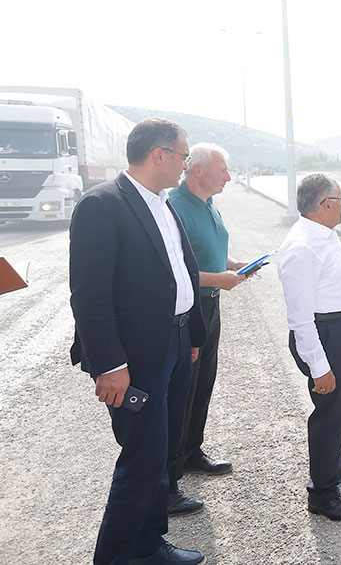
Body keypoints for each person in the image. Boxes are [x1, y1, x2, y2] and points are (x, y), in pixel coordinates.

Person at [69, 118, 207, 565]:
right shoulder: (102, 205)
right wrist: (109, 364)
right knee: (141, 462)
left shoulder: (162, 202)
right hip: (137, 357)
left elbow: (176, 271)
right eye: (184, 156)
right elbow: (89, 296)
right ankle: (115, 557)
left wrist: (190, 334)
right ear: (159, 155)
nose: (186, 165)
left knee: (164, 454)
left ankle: (149, 546)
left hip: (175, 342)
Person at [277, 173, 341, 521]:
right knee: (329, 410)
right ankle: (323, 493)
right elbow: (300, 318)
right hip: (325, 335)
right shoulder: (304, 246)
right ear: (325, 204)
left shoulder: (323, 234)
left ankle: (334, 463)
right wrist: (320, 366)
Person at [165, 143, 249, 515]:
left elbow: (206, 246)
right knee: (181, 388)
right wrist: (220, 277)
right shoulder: (177, 208)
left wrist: (232, 264)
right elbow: (175, 271)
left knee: (204, 380)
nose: (228, 177)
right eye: (223, 170)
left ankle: (191, 450)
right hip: (190, 305)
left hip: (211, 301)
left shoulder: (207, 202)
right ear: (197, 170)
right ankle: (170, 478)